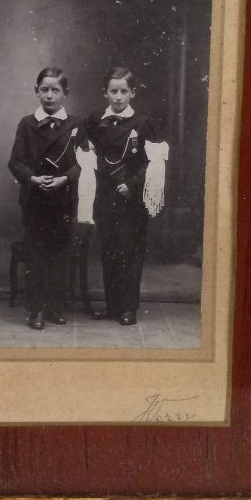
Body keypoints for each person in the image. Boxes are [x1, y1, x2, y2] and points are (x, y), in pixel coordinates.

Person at [83, 67, 161, 326]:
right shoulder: (96, 120)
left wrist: (133, 185)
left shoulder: (142, 123)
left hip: (130, 199)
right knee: (109, 252)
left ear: (132, 93)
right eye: (113, 91)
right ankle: (112, 305)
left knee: (130, 252)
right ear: (105, 93)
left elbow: (152, 162)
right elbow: (84, 149)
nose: (118, 97)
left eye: (123, 91)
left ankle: (128, 308)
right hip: (104, 196)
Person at [7, 67, 81, 330]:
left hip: (62, 199)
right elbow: (15, 161)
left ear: (65, 93)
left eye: (55, 90)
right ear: (36, 91)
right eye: (44, 90)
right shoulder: (27, 124)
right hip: (35, 199)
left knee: (59, 252)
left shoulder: (75, 126)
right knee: (36, 255)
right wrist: (33, 179)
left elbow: (82, 163)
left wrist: (64, 179)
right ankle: (36, 309)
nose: (49, 95)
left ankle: (54, 307)